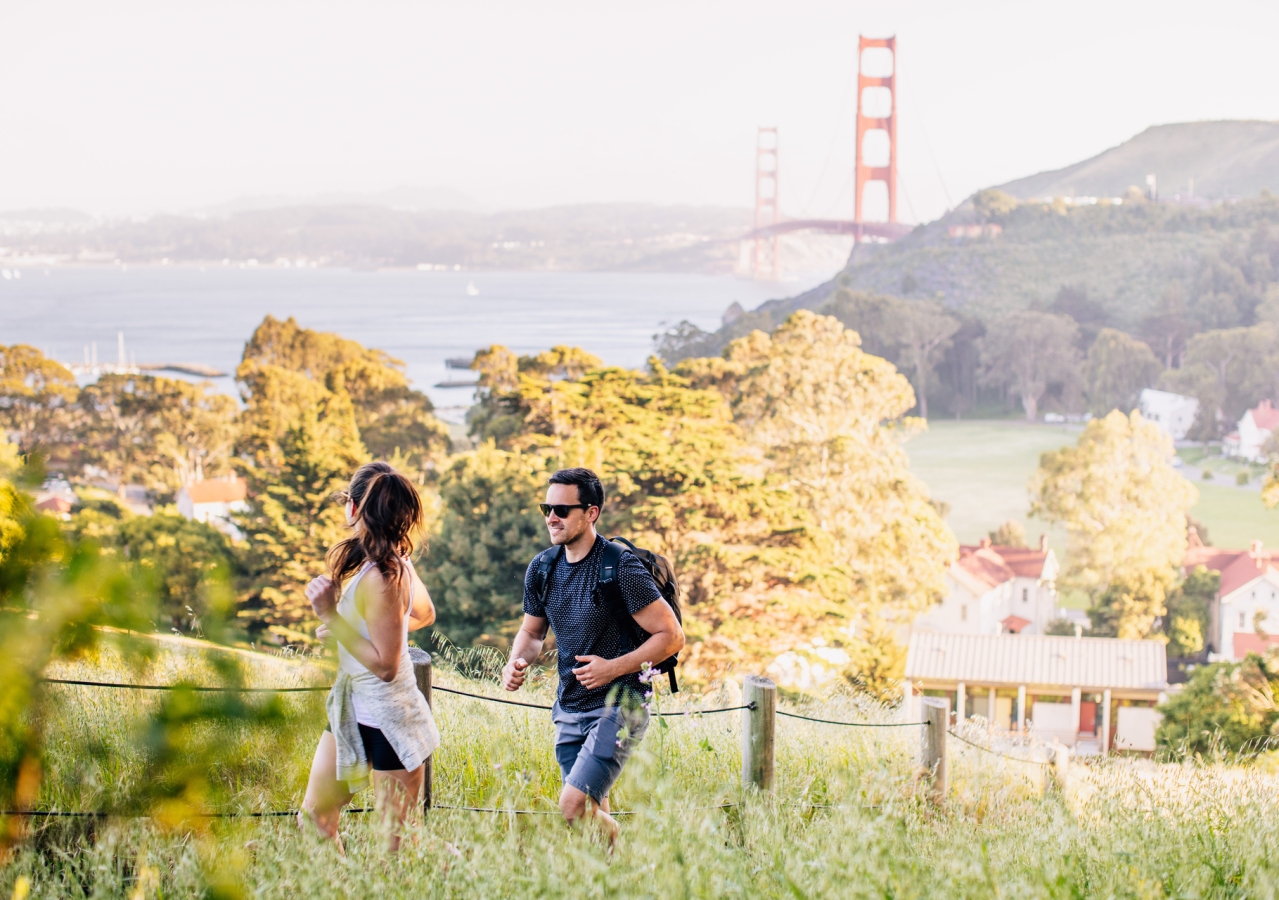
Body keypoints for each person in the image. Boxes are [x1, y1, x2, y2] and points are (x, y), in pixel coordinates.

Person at [501, 467, 685, 841]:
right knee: (591, 813)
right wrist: (516, 661)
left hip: (621, 705)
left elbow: (672, 636)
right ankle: (614, 880)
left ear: (591, 513)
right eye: (546, 508)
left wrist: (612, 668)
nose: (551, 517)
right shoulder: (542, 568)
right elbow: (532, 631)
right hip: (569, 708)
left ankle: (630, 852)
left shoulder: (620, 567)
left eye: (562, 510)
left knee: (573, 806)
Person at [299, 461, 441, 854]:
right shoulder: (386, 562)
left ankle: (472, 881)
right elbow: (421, 616)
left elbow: (385, 665)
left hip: (390, 720)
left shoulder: (385, 574)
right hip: (351, 713)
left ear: (354, 507)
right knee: (315, 817)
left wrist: (332, 617)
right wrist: (351, 633)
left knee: (398, 845)